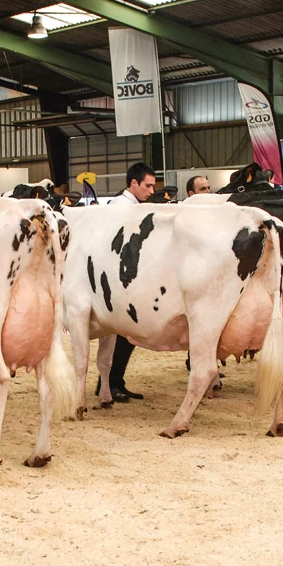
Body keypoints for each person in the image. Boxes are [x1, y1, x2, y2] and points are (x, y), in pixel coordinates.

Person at [100, 162, 156, 403]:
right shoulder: (121, 207)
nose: (152, 191)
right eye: (148, 185)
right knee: (122, 334)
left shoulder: (131, 206)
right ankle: (110, 383)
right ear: (134, 183)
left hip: (124, 277)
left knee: (123, 335)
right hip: (117, 279)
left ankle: (113, 382)